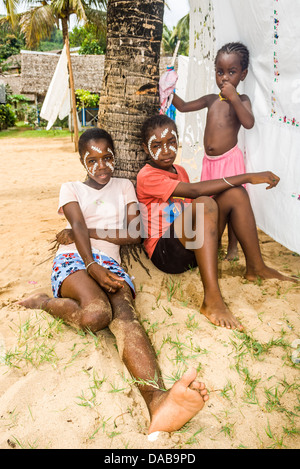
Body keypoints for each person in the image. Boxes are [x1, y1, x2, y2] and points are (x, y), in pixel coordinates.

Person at [18, 127, 209, 435]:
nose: (101, 166)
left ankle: (157, 400)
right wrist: (91, 263)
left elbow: (134, 234)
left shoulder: (123, 186)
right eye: (92, 160)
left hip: (110, 262)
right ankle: (44, 302)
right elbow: (76, 224)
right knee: (96, 314)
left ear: (114, 156)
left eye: (107, 157)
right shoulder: (70, 189)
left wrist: (94, 242)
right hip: (75, 260)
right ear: (81, 160)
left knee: (124, 314)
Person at [137, 114, 295, 332]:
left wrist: (238, 184)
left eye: (171, 142)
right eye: (157, 145)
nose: (166, 150)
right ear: (146, 149)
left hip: (191, 248)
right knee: (204, 202)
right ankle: (211, 300)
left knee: (235, 194)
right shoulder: (147, 176)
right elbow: (195, 192)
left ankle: (256, 267)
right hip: (166, 254)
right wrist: (247, 176)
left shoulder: (179, 171)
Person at [171, 42, 254, 260]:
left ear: (243, 75)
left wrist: (234, 97)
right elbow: (183, 107)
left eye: (231, 72)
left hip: (229, 161)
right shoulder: (210, 99)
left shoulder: (242, 100)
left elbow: (249, 123)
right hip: (209, 162)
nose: (224, 78)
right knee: (212, 203)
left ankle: (233, 247)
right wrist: (169, 90)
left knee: (235, 202)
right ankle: (214, 242)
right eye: (220, 72)